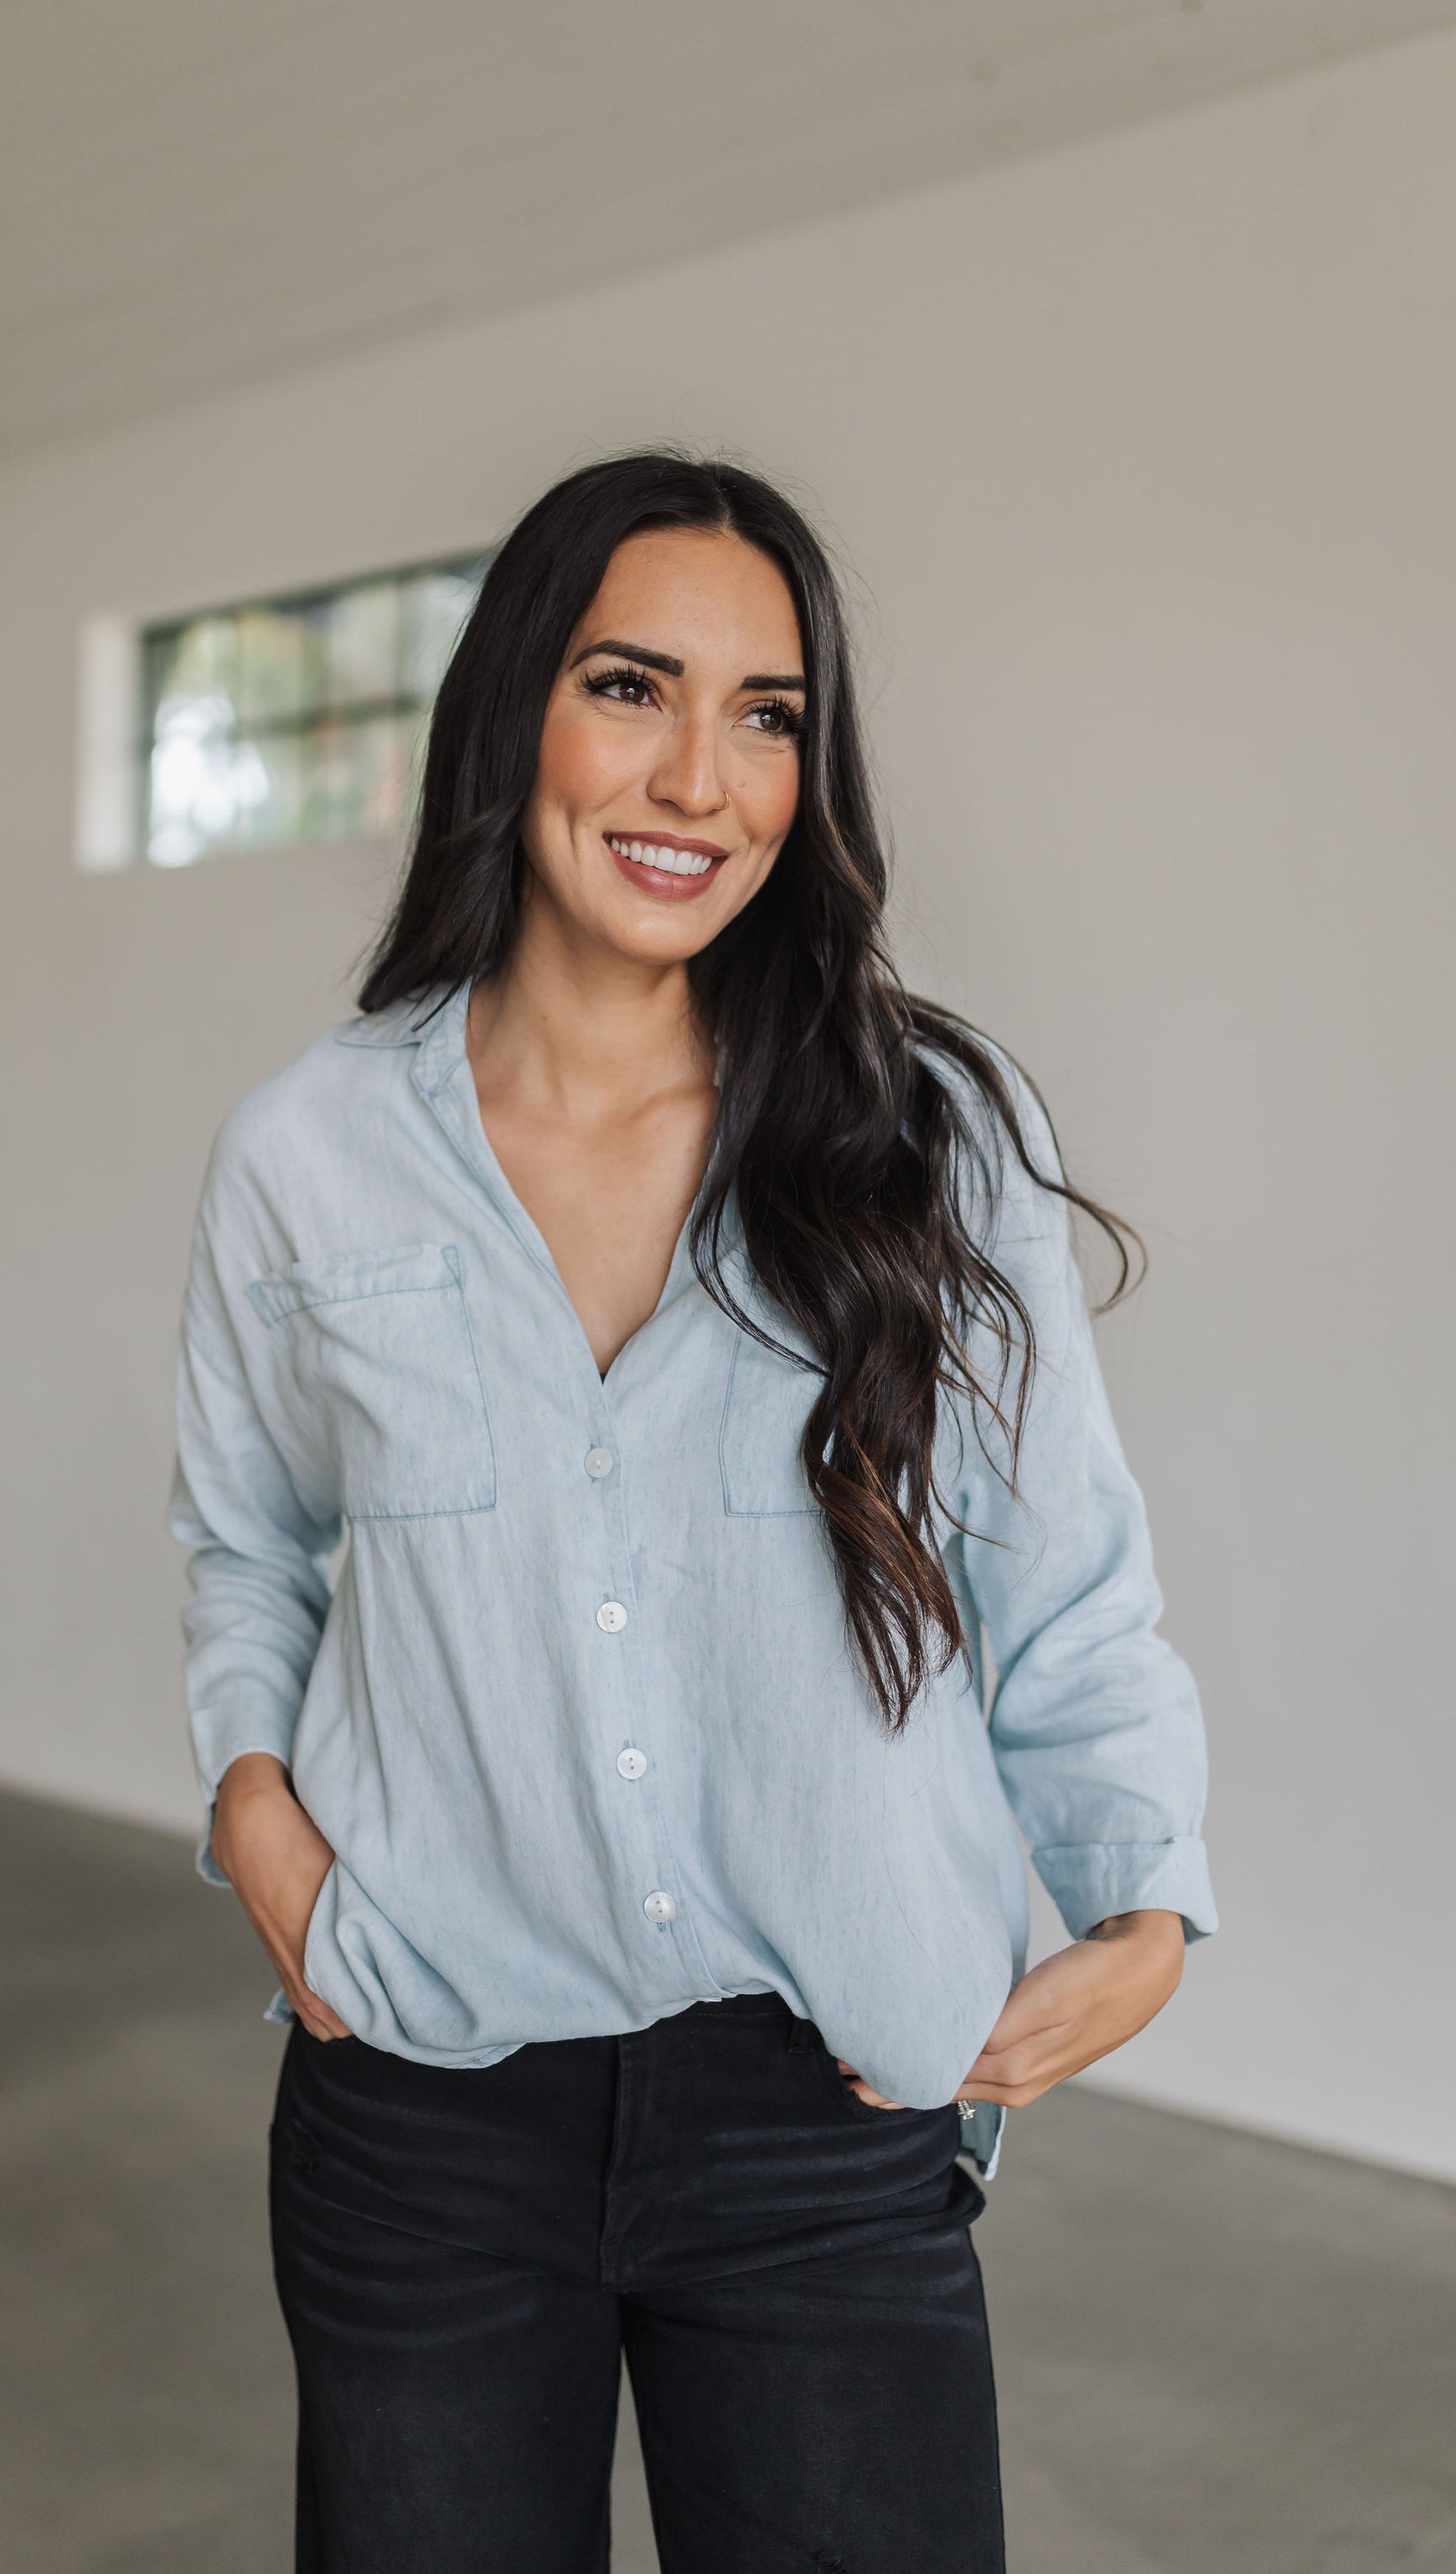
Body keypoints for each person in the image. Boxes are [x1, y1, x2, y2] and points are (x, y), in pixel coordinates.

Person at [171, 452, 1215, 2573]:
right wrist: (253, 1805)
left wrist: (1148, 1896)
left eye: (769, 714)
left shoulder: (926, 1132)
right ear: (511, 717)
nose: (701, 775)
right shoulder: (309, 1152)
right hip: (425, 2098)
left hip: (829, 2110)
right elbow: (249, 1536)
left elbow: (1063, 1565)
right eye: (633, 686)